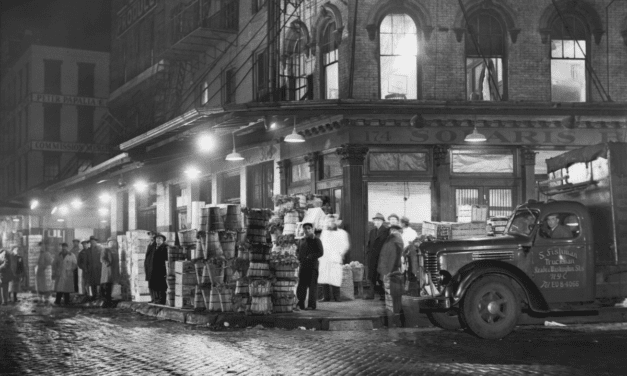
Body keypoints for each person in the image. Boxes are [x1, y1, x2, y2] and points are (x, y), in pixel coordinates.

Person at [318, 215, 350, 302]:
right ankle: (326, 297)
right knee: (324, 277)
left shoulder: (342, 233)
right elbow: (320, 244)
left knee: (335, 277)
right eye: (329, 221)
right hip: (325, 258)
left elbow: (345, 245)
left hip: (335, 257)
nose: (331, 223)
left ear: (335, 222)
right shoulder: (324, 232)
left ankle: (337, 297)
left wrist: (340, 253)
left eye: (332, 221)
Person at [378, 224, 405, 325]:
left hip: (392, 274)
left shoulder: (392, 241)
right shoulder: (395, 242)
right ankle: (394, 323)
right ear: (394, 232)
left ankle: (393, 322)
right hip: (392, 274)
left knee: (391, 300)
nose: (400, 234)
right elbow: (387, 259)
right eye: (399, 232)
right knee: (394, 300)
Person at [296, 222, 324, 310]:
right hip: (303, 266)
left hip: (312, 266)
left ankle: (311, 305)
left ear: (312, 229)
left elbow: (320, 252)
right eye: (305, 228)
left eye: (309, 228)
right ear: (303, 230)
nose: (307, 230)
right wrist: (298, 257)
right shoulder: (301, 241)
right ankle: (300, 304)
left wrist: (310, 256)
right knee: (301, 286)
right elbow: (297, 251)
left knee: (312, 286)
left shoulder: (316, 240)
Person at [366, 213, 390, 300]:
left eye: (379, 220)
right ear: (373, 221)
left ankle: (383, 296)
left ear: (382, 221)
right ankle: (370, 295)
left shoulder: (386, 231)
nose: (377, 222)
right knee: (372, 277)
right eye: (375, 220)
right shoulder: (372, 231)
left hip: (381, 258)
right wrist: (368, 252)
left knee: (381, 277)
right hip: (372, 257)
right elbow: (369, 244)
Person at [145, 233, 167, 305]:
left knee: (160, 285)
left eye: (160, 239)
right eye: (157, 239)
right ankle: (154, 299)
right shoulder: (154, 247)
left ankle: (161, 300)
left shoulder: (165, 247)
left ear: (163, 240)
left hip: (160, 269)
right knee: (153, 284)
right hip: (153, 269)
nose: (158, 240)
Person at [100, 237, 120, 306]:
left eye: (113, 242)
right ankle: (106, 299)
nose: (112, 243)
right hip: (107, 270)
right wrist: (108, 263)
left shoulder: (115, 250)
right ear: (108, 243)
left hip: (114, 270)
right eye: (110, 242)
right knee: (106, 284)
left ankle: (109, 298)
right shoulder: (105, 250)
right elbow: (102, 259)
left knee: (111, 284)